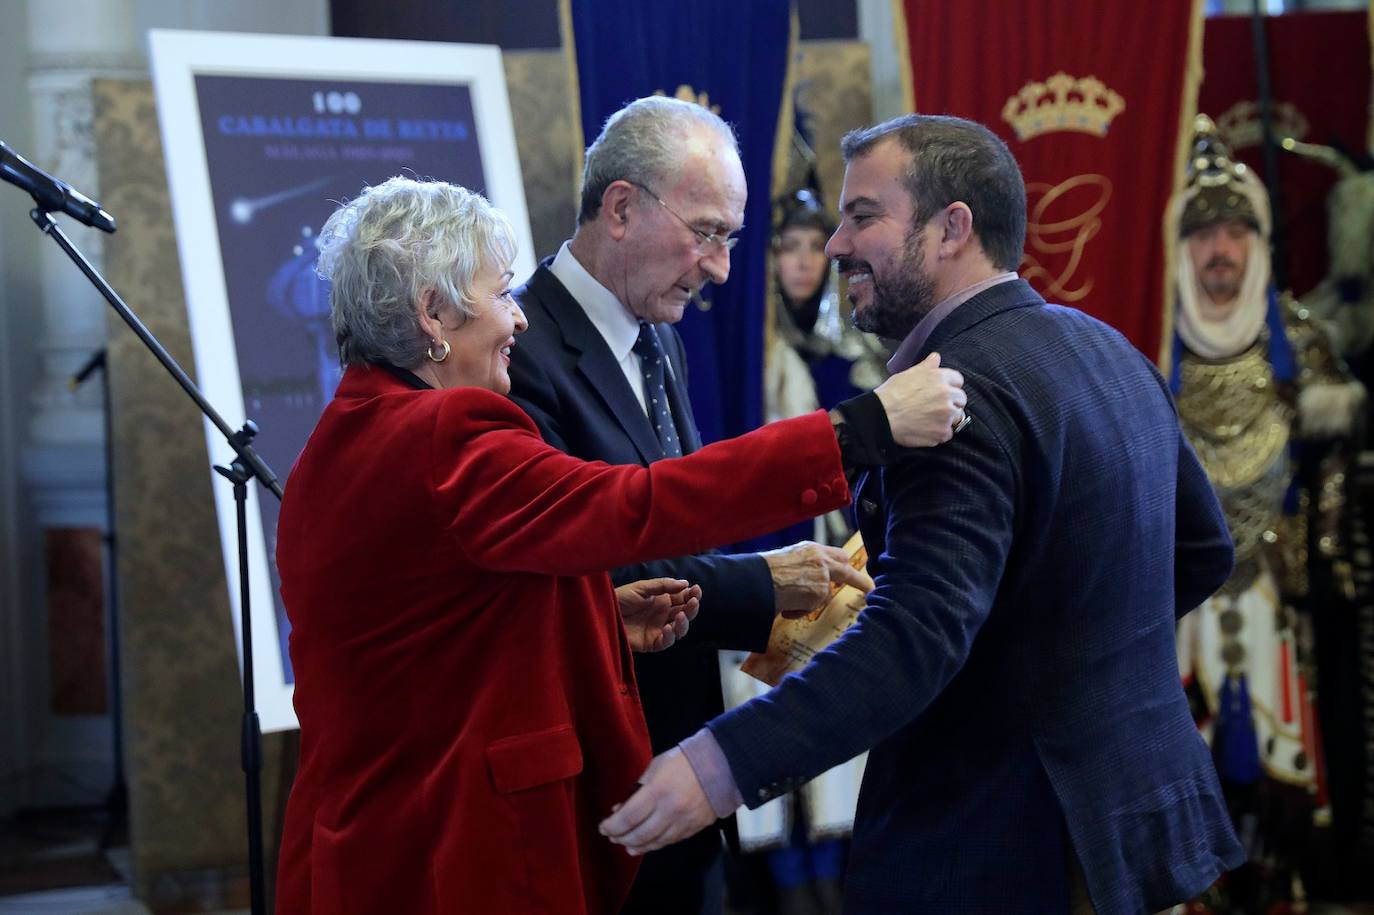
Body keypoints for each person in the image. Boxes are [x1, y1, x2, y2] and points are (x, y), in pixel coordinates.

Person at [600, 114, 1246, 914]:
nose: (836, 245)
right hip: (1135, 829)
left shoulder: (950, 398)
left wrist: (715, 767)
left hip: (1003, 848)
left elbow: (915, 640)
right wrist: (1067, 648)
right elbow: (1202, 550)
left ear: (952, 228)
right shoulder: (1110, 349)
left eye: (863, 216)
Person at [272, 176, 967, 915]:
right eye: (501, 292)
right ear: (432, 313)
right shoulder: (443, 433)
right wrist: (860, 430)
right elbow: (634, 505)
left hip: (370, 839)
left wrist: (589, 616)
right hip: (453, 848)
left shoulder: (341, 436)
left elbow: (425, 632)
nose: (518, 317)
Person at [506, 96, 879, 914]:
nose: (720, 268)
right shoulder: (518, 353)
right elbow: (593, 565)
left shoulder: (658, 335)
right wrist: (769, 585)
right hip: (593, 788)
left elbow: (681, 525)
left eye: (730, 239)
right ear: (620, 207)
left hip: (680, 767)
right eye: (707, 233)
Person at [1169, 116, 1363, 913]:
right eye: (1203, 234)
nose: (1220, 250)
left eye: (1234, 233)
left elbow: (1338, 465)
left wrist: (1318, 548)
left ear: (1258, 242)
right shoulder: (1147, 347)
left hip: (1282, 589)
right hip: (1178, 595)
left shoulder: (1302, 343)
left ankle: (1286, 879)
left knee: (1288, 757)